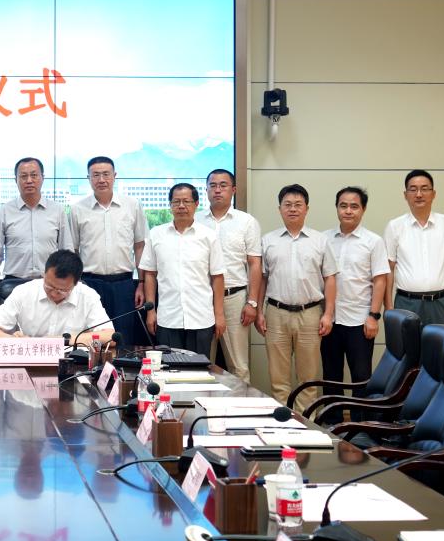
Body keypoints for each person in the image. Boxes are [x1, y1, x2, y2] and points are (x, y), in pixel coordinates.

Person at [256, 184, 337, 411]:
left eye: (298, 205)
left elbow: (330, 278)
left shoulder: (320, 240)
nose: (293, 209)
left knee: (308, 380)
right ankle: (283, 423)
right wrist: (259, 311)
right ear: (280, 209)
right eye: (287, 205)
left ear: (306, 209)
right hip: (276, 313)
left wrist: (328, 314)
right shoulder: (268, 240)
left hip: (310, 314)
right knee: (278, 378)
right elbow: (262, 279)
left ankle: (306, 424)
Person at [323, 186, 389, 420]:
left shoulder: (373, 241)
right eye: (343, 206)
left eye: (354, 206)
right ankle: (332, 425)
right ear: (336, 208)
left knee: (361, 377)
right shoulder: (324, 239)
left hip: (360, 320)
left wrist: (374, 316)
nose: (348, 211)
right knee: (331, 377)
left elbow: (380, 280)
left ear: (363, 209)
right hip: (330, 320)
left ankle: (360, 427)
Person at [140, 183, 225, 358]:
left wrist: (219, 315)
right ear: (170, 205)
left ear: (196, 204)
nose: (181, 206)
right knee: (169, 367)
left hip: (201, 317)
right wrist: (151, 311)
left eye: (186, 201)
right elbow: (150, 274)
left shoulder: (208, 236)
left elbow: (217, 277)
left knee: (199, 368)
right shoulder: (156, 234)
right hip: (168, 317)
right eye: (176, 202)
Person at [68, 156, 147, 345]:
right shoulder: (77, 209)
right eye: (96, 175)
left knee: (123, 337)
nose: (101, 179)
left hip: (124, 284)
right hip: (89, 283)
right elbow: (73, 250)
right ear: (88, 178)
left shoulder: (132, 205)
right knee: (91, 339)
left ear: (114, 176)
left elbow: (140, 246)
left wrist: (141, 283)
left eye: (106, 174)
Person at [197, 169, 262, 380]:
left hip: (235, 298)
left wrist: (252, 303)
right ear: (206, 190)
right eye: (213, 185)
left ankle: (242, 402)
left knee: (239, 365)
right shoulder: (195, 220)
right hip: (202, 299)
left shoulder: (247, 222)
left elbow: (255, 264)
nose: (218, 190)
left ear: (233, 190)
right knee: (202, 363)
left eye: (223, 185)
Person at [384, 169, 444, 327]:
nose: (419, 194)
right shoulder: (394, 226)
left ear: (433, 194)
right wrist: (388, 306)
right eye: (413, 189)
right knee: (407, 344)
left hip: (441, 303)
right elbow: (389, 268)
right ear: (405, 195)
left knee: (441, 343)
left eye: (424, 189)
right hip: (406, 303)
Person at [0, 157, 72, 307]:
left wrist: (66, 287)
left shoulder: (57, 211)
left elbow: (67, 253)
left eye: (34, 175)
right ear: (16, 180)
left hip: (50, 285)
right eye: (23, 176)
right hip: (13, 286)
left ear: (42, 178)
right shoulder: (4, 212)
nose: (29, 180)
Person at [0, 249, 113, 344]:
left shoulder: (87, 296)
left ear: (75, 284)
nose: (54, 293)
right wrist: (16, 342)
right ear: (44, 275)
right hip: (30, 361)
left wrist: (63, 340)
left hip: (72, 365)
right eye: (49, 286)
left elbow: (110, 336)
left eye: (62, 290)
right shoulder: (24, 292)